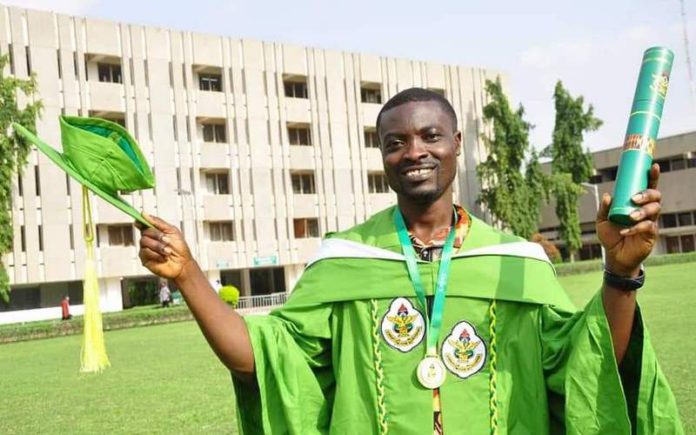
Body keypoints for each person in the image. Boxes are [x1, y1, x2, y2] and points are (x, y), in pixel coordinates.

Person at [137, 88, 682, 433]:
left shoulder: (514, 260)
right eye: (395, 142)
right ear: (382, 157)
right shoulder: (345, 259)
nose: (414, 151)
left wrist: (621, 273)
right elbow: (261, 359)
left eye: (429, 135)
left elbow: (591, 366)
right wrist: (188, 275)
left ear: (457, 142)